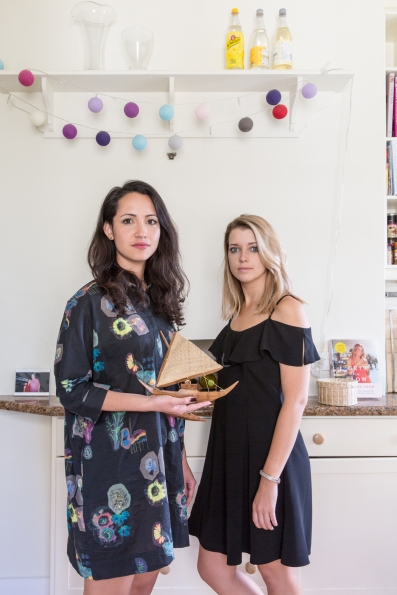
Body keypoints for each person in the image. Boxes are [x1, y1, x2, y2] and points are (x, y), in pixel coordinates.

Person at [54, 180, 210, 595]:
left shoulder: (160, 306)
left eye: (151, 221)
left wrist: (180, 459)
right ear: (108, 230)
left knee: (143, 582)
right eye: (128, 221)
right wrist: (153, 402)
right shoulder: (86, 303)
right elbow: (72, 389)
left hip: (158, 462)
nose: (142, 232)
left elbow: (168, 390)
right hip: (109, 465)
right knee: (112, 582)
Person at [189, 214, 320, 595]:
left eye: (252, 248)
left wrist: (269, 480)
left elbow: (295, 401)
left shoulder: (288, 308)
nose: (243, 257)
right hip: (229, 459)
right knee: (212, 567)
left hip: (271, 462)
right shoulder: (234, 319)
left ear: (268, 254)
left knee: (277, 574)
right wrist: (175, 386)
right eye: (234, 249)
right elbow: (218, 381)